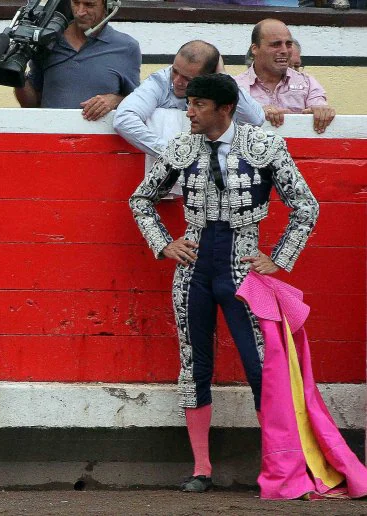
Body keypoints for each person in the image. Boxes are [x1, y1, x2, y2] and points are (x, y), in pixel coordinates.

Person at [129, 74, 319, 493]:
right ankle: (201, 469)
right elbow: (141, 199)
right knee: (194, 365)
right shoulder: (181, 147)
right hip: (193, 270)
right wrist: (164, 244)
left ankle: (279, 466)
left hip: (243, 269)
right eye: (188, 103)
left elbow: (305, 205)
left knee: (260, 369)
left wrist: (280, 257)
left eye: (197, 104)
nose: (188, 111)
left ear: (225, 109)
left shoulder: (264, 145)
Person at [113, 40, 265, 160]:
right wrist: (172, 152)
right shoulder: (160, 81)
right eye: (175, 71)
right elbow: (124, 119)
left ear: (208, 77)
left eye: (187, 78)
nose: (177, 81)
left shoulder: (216, 84)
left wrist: (223, 77)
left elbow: (255, 119)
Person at [15, 0, 141, 121]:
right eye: (75, 3)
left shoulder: (126, 47)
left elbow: (139, 104)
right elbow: (31, 103)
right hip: (51, 138)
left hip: (100, 140)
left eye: (89, 5)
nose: (80, 12)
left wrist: (115, 100)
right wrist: (16, 73)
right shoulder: (48, 40)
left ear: (108, 6)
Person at [234, 19, 335, 134]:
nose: (284, 50)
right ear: (255, 49)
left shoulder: (308, 83)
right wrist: (255, 113)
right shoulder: (235, 87)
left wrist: (321, 111)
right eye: (276, 44)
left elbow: (319, 107)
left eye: (288, 44)